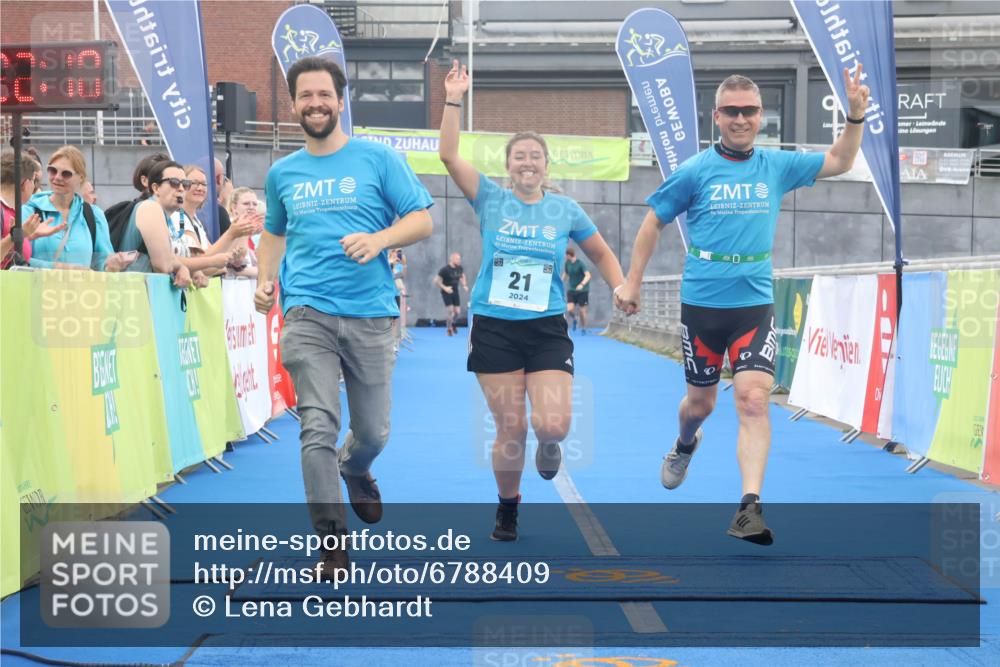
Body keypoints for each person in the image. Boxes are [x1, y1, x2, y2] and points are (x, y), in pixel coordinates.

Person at [616, 69, 870, 546]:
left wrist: (855, 115)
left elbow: (840, 159)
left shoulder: (776, 165)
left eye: (748, 110)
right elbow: (653, 221)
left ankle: (749, 508)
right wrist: (632, 281)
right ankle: (684, 444)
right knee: (701, 405)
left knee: (753, 399)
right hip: (703, 305)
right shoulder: (695, 170)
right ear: (716, 117)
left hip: (753, 303)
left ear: (760, 116)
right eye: (731, 111)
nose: (740, 119)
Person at [253, 56, 433, 576]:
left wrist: (380, 239)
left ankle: (356, 467)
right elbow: (273, 234)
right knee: (317, 425)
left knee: (373, 433)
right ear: (294, 105)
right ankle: (331, 543)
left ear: (340, 100)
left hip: (371, 314)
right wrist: (265, 279)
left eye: (324, 95)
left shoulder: (377, 158)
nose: (315, 104)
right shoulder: (283, 172)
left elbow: (421, 220)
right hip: (306, 311)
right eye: (305, 96)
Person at [439, 60, 627, 541]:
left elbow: (600, 252)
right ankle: (508, 508)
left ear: (546, 165)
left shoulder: (564, 209)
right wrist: (454, 99)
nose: (527, 163)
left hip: (545, 328)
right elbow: (448, 156)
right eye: (519, 156)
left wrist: (621, 285)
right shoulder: (489, 199)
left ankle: (550, 445)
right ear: (508, 166)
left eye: (535, 157)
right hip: (495, 328)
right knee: (511, 428)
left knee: (554, 425)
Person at [24, 145, 133, 272]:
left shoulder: (93, 215)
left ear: (81, 177)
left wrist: (111, 265)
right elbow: (16, 259)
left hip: (83, 285)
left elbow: (103, 261)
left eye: (66, 174)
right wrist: (59, 268)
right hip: (37, 284)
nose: (57, 177)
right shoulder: (29, 210)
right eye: (52, 170)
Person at [116, 159, 193, 288]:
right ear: (156, 188)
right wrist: (181, 267)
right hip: (135, 293)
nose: (181, 189)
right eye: (174, 182)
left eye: (185, 184)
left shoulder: (161, 213)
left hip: (140, 292)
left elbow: (167, 260)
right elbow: (163, 264)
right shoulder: (151, 208)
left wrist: (182, 267)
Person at [1, 150, 65, 269]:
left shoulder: (11, 211)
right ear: (24, 184)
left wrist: (28, 235)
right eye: (34, 181)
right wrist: (15, 236)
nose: (35, 186)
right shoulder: (2, 211)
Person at [433, 252, 468, 336]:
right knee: (450, 310)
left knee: (457, 312)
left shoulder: (459, 268)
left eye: (459, 259)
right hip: (446, 292)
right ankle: (449, 329)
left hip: (455, 291)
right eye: (457, 259)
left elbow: (462, 276)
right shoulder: (445, 270)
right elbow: (436, 281)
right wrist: (445, 288)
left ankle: (453, 323)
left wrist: (464, 285)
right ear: (452, 259)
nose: (459, 260)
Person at [562, 246, 591, 333]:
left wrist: (581, 284)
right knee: (570, 309)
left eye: (565, 255)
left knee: (582, 311)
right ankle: (575, 318)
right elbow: (566, 274)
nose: (565, 257)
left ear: (569, 255)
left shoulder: (580, 263)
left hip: (583, 291)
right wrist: (560, 282)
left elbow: (588, 275)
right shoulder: (567, 263)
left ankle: (584, 328)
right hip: (571, 290)